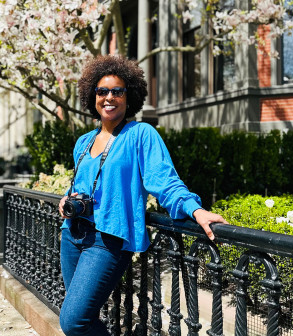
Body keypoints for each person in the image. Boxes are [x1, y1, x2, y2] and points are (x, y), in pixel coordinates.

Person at [58, 55, 228, 336]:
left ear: (129, 96)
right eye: (102, 91)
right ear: (93, 96)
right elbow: (77, 187)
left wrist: (195, 210)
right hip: (72, 235)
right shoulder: (83, 141)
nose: (109, 97)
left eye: (117, 91)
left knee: (73, 321)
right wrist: (66, 202)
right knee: (84, 320)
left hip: (107, 239)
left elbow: (164, 181)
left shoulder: (140, 134)